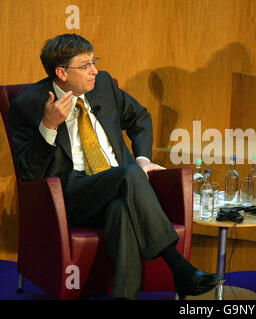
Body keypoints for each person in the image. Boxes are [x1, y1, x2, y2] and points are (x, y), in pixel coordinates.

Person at [7, 33, 223, 300]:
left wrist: (143, 158)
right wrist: (48, 126)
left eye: (93, 61)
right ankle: (179, 267)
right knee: (129, 174)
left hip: (119, 188)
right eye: (85, 65)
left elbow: (140, 117)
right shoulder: (28, 105)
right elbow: (28, 172)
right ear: (61, 72)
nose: (94, 70)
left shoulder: (104, 85)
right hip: (71, 197)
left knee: (121, 210)